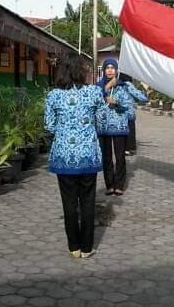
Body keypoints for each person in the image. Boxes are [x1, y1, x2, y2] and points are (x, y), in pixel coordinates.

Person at [44, 52, 106, 259]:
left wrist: (65, 130)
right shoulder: (94, 93)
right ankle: (87, 248)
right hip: (88, 154)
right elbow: (102, 118)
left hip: (63, 156)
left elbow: (49, 126)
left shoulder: (53, 96)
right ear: (80, 71)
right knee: (88, 201)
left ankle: (74, 248)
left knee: (69, 202)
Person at [96, 58, 132, 196]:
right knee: (106, 157)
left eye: (113, 67)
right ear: (104, 70)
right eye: (107, 67)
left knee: (120, 156)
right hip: (104, 126)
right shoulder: (98, 86)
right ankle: (109, 184)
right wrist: (106, 88)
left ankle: (119, 185)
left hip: (119, 127)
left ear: (116, 70)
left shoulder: (123, 86)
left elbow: (128, 106)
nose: (110, 70)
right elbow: (95, 100)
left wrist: (116, 102)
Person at [118, 73, 148, 157]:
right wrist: (145, 95)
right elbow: (139, 96)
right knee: (130, 131)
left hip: (119, 113)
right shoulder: (128, 85)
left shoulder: (117, 85)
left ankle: (122, 148)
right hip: (128, 113)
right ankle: (129, 149)